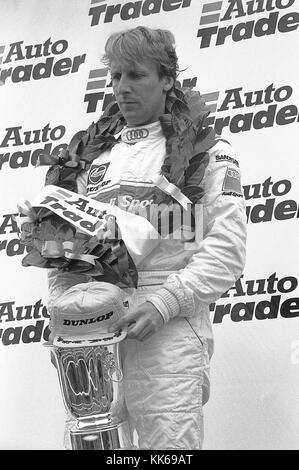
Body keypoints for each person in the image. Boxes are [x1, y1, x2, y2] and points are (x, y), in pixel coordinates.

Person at [47, 26, 247, 450]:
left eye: (136, 76)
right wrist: (63, 317)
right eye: (116, 76)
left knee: (167, 454)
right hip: (92, 329)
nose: (122, 88)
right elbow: (63, 251)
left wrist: (164, 303)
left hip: (168, 324)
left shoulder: (208, 150)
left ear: (168, 78)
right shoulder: (87, 156)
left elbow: (226, 250)